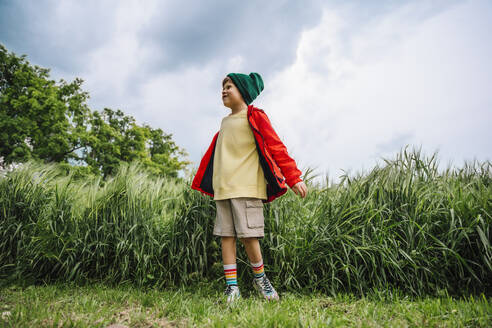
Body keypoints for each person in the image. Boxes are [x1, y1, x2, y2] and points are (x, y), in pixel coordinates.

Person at [191, 72, 307, 303]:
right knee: (226, 236)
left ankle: (260, 279)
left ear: (243, 91)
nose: (223, 90)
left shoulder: (254, 116)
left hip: (247, 188)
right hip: (224, 189)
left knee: (249, 236)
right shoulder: (224, 123)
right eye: (222, 86)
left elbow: (276, 147)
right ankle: (232, 287)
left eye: (229, 86)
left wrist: (293, 177)